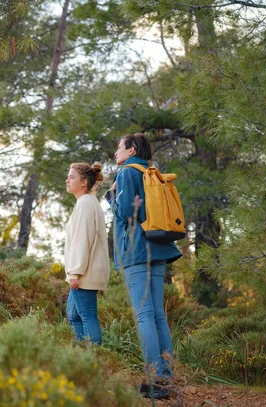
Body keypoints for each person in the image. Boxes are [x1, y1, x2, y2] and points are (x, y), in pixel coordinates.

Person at [109, 133, 182, 399]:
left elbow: (127, 214)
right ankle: (168, 377)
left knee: (143, 314)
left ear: (131, 149)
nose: (116, 152)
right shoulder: (150, 171)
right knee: (157, 315)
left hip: (137, 251)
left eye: (119, 147)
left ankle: (156, 380)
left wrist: (112, 197)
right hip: (157, 247)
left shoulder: (127, 173)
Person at [64, 162, 111, 346]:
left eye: (72, 177)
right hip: (86, 270)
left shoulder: (85, 204)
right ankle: (81, 357)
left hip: (83, 272)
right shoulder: (88, 202)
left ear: (84, 182)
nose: (67, 180)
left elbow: (82, 240)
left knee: (86, 315)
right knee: (74, 315)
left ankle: (93, 361)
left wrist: (74, 272)